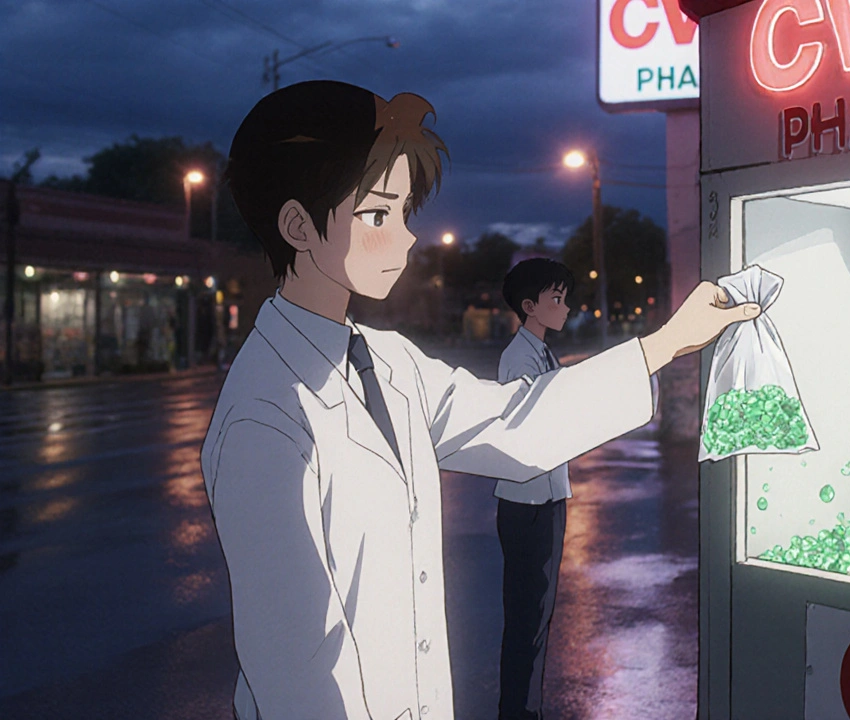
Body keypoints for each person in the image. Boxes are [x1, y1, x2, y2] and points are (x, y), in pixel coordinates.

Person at [199, 79, 761, 720]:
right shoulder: (263, 416)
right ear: (297, 225)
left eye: (407, 211)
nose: (407, 238)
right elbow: (296, 671)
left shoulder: (389, 360)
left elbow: (513, 424)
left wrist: (667, 343)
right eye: (379, 214)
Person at [493, 258, 573, 720]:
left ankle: (526, 709)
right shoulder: (519, 358)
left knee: (537, 616)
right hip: (527, 503)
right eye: (556, 299)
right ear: (530, 306)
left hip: (545, 497)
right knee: (526, 618)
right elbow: (525, 423)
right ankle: (517, 711)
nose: (566, 307)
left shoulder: (542, 351)